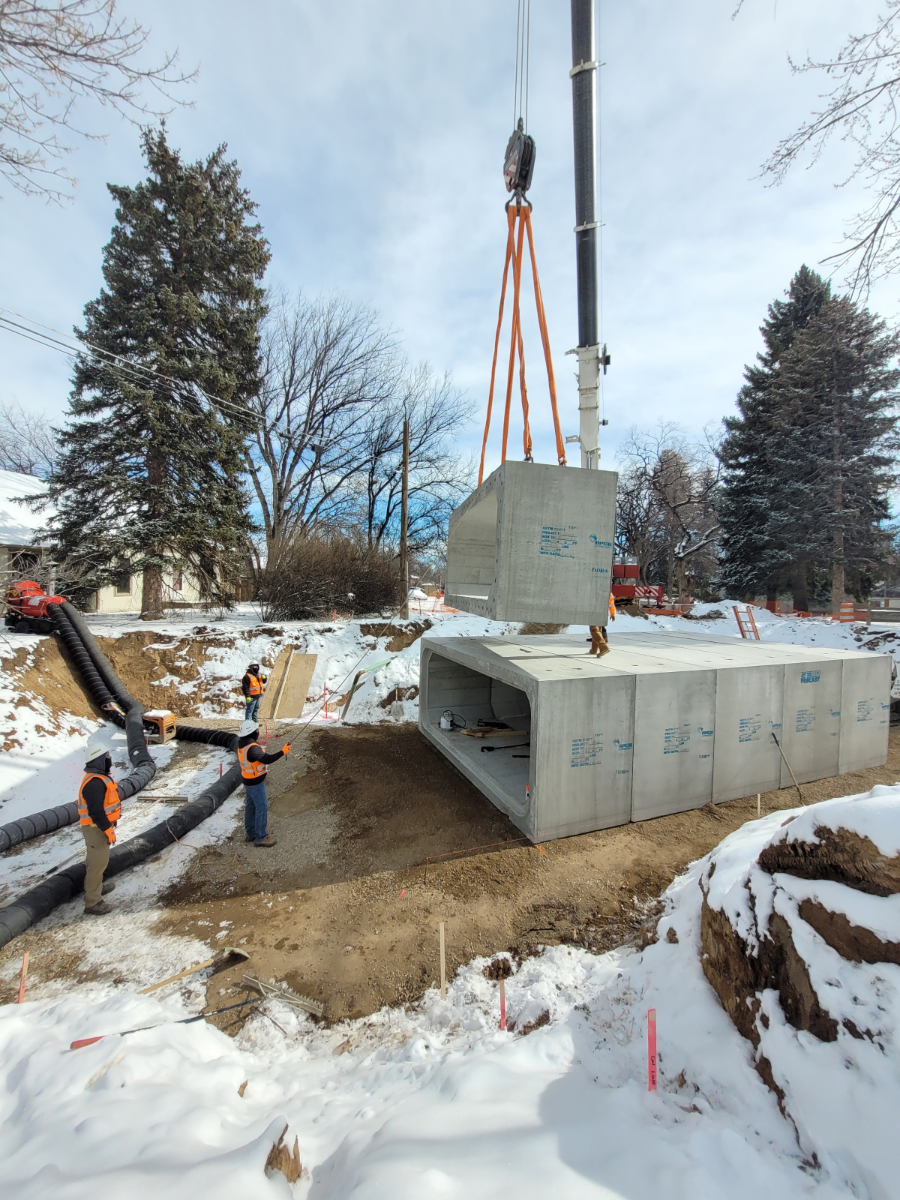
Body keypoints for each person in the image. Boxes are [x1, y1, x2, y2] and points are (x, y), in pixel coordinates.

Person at [78, 745, 119, 915]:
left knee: (98, 862)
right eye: (106, 756)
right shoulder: (94, 783)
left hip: (98, 828)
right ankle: (93, 902)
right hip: (96, 829)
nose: (109, 759)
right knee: (97, 864)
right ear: (99, 760)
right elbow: (96, 812)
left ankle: (97, 887)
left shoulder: (98, 778)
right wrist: (107, 829)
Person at [237, 719, 291, 847]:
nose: (257, 732)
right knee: (261, 807)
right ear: (251, 733)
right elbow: (266, 759)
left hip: (248, 781)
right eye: (256, 730)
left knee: (250, 807)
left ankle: (250, 834)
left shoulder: (243, 743)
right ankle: (260, 837)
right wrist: (283, 751)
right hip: (255, 783)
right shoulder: (252, 748)